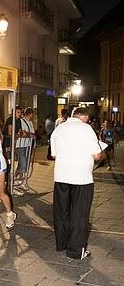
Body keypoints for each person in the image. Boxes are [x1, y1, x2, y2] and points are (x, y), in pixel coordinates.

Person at [51, 107, 102, 260]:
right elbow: (97, 154)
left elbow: (54, 154)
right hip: (81, 177)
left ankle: (62, 244)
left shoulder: (58, 129)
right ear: (84, 117)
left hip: (61, 176)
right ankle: (75, 251)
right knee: (79, 214)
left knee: (61, 212)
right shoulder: (86, 129)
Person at [15, 107, 35, 178]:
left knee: (25, 164)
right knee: (23, 163)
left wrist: (28, 133)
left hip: (28, 145)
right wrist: (29, 134)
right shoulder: (21, 121)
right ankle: (17, 177)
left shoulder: (30, 123)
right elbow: (21, 133)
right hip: (20, 145)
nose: (32, 116)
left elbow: (33, 134)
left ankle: (20, 178)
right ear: (29, 114)